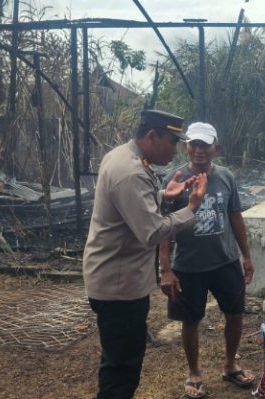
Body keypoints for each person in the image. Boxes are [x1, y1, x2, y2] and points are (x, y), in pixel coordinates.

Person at [83, 109, 207, 399]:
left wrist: (165, 195)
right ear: (152, 136)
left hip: (118, 281)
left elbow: (134, 205)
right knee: (122, 370)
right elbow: (152, 231)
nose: (176, 149)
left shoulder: (124, 157)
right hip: (118, 287)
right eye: (173, 142)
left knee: (119, 360)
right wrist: (192, 208)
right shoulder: (130, 172)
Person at [159, 122, 255, 399]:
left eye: (205, 145)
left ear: (216, 148)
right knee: (191, 319)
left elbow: (235, 216)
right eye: (194, 144)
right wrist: (166, 269)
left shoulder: (225, 177)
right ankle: (194, 373)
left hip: (225, 261)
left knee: (235, 314)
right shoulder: (175, 178)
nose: (199, 150)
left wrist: (246, 256)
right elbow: (163, 227)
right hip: (189, 265)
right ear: (186, 146)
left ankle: (230, 364)